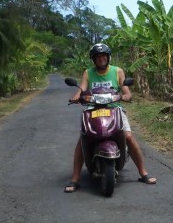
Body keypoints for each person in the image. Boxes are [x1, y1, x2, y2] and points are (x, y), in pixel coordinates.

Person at [65, 43, 156, 192]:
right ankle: (75, 178)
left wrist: (125, 96)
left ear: (108, 58)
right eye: (98, 57)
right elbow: (81, 89)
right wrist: (75, 97)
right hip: (93, 109)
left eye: (103, 56)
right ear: (93, 60)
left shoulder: (117, 71)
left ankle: (143, 172)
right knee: (83, 138)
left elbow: (126, 91)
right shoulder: (88, 73)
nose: (101, 59)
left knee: (128, 136)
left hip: (114, 109)